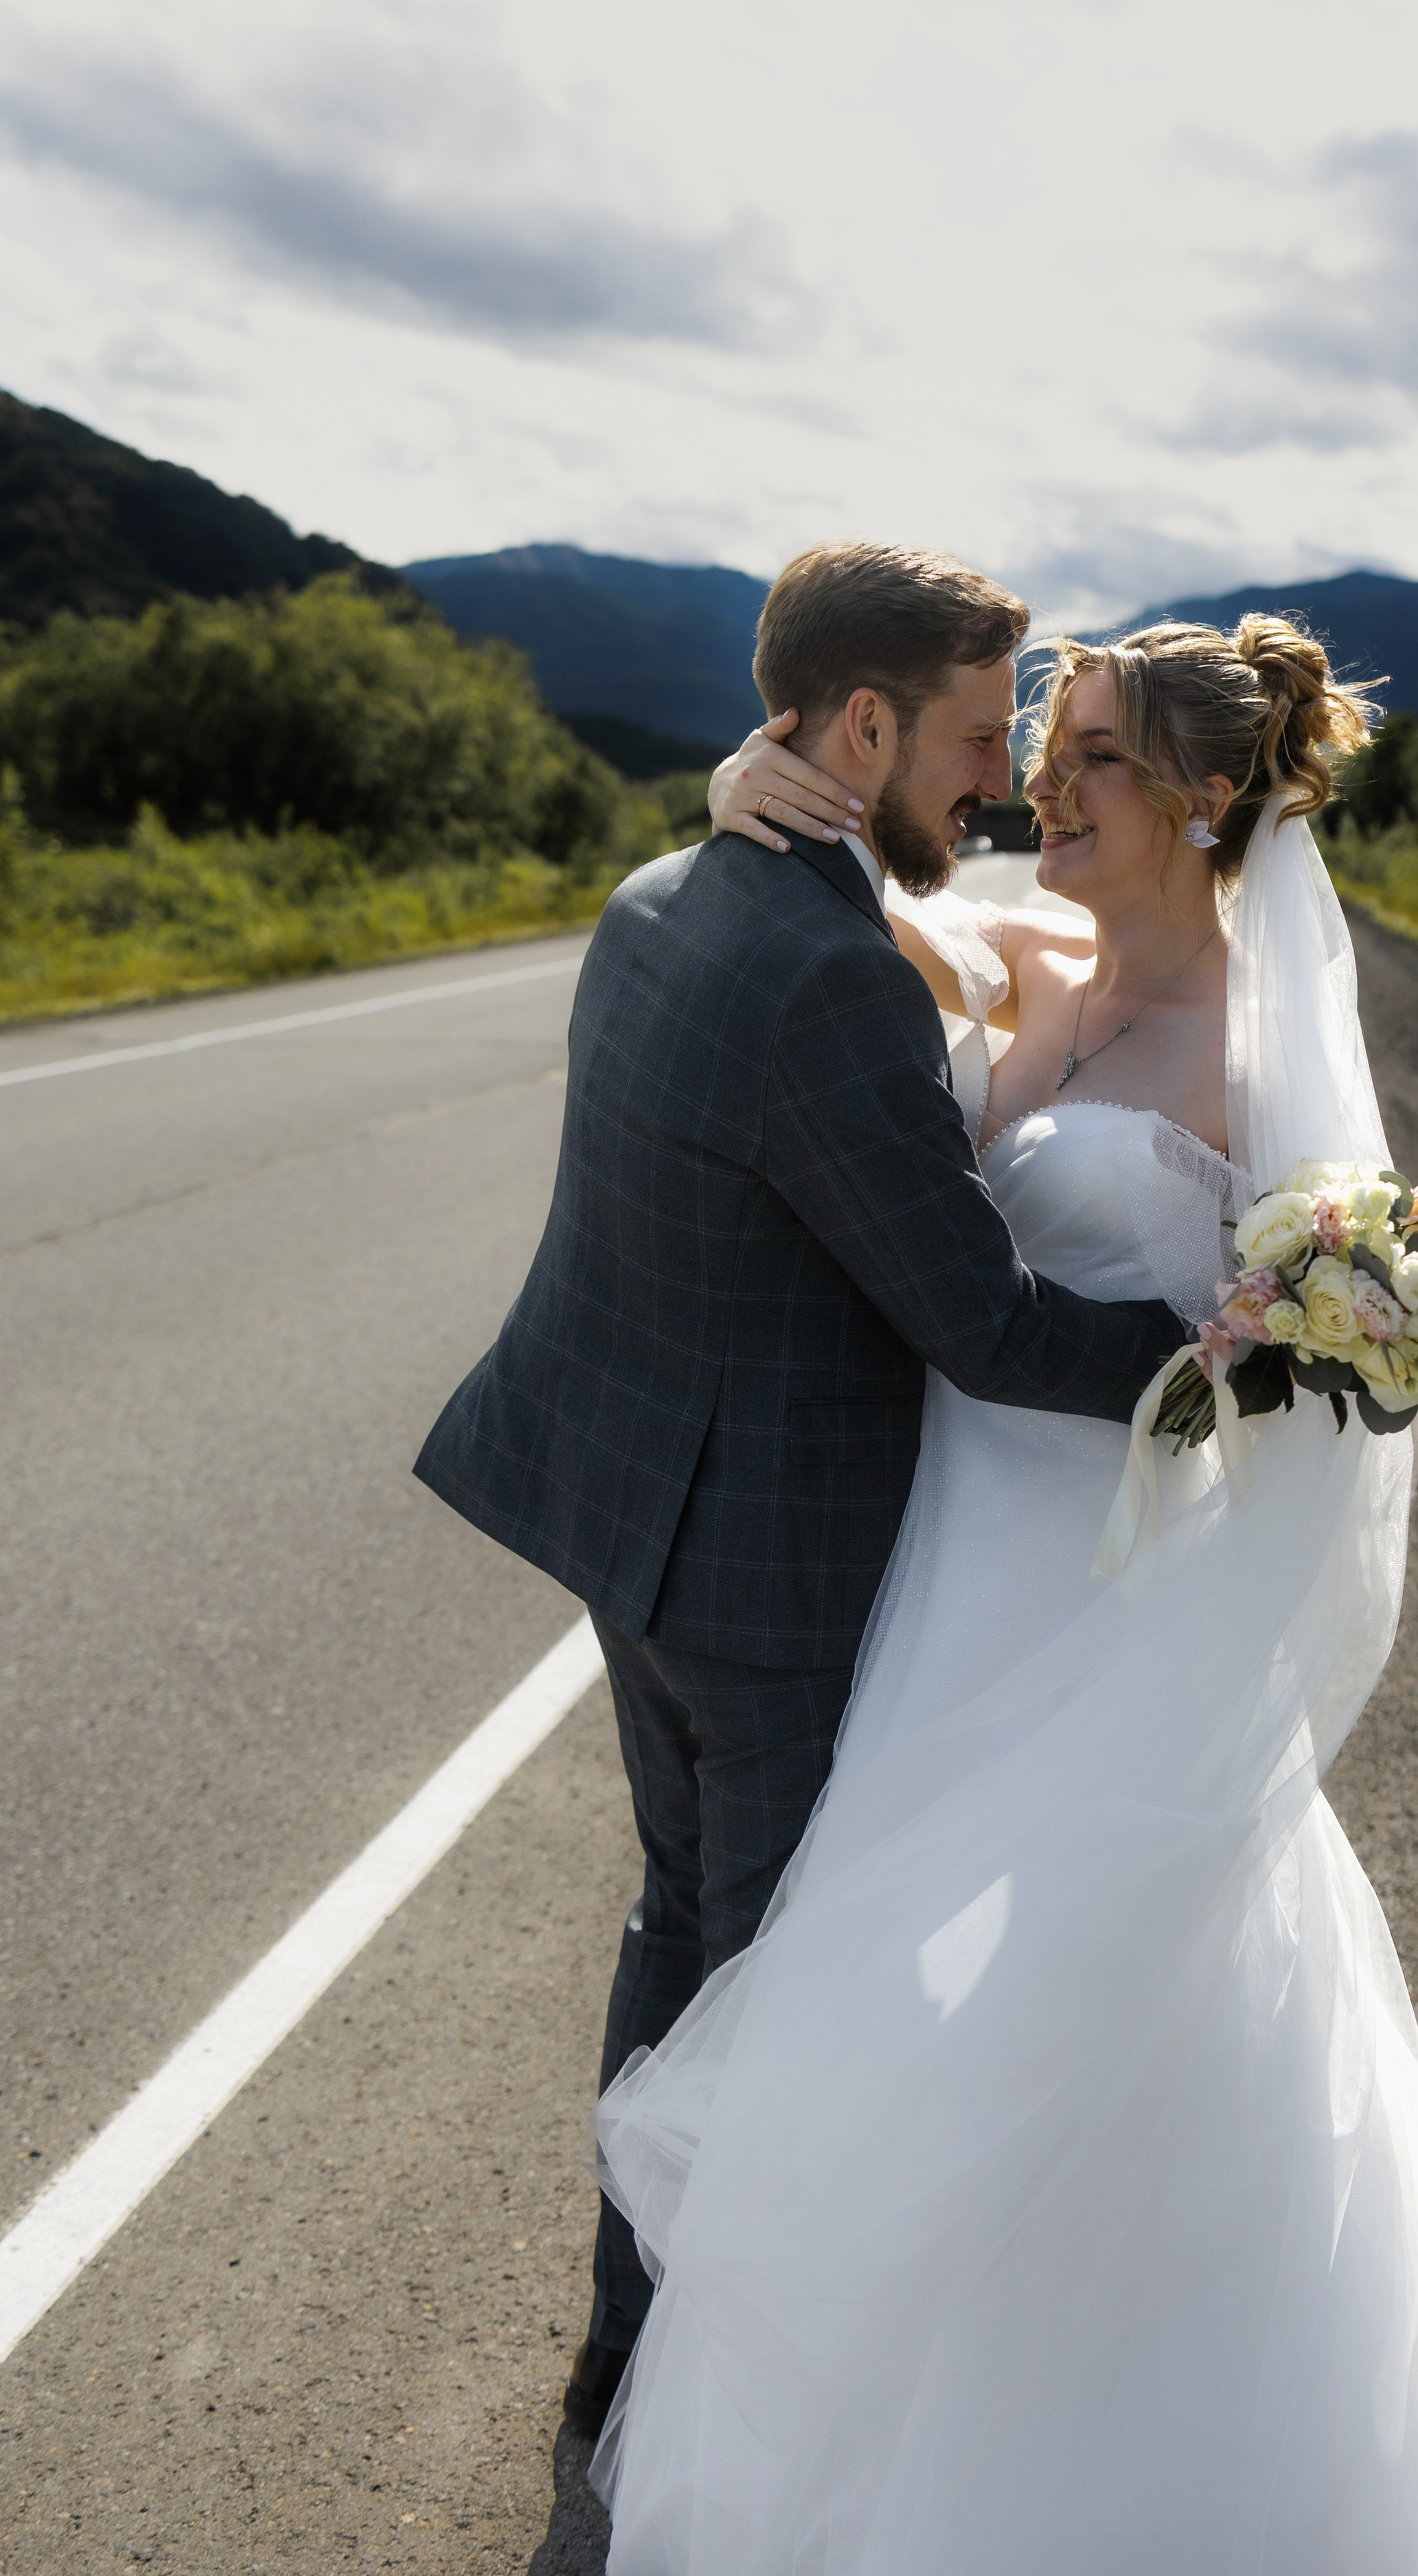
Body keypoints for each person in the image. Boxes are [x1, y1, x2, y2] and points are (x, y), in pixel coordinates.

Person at [586, 619, 1418, 2576]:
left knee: (1112, 2015)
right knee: (904, 2009)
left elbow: (1316, 1409)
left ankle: (1142, 2490)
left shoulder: (1278, 1070)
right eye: (1044, 747)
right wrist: (740, 793)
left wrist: (1216, 1614)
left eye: (1083, 757)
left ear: (1198, 797)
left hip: (1112, 1618)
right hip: (945, 1584)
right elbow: (862, 893)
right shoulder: (1039, 953)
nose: (1036, 788)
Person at [411, 542, 1186, 2437]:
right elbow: (990, 1332)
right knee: (770, 1994)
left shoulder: (670, 888)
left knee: (678, 1935)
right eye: (976, 732)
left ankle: (632, 2346)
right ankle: (715, 2418)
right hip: (760, 1584)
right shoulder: (829, 978)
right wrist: (1230, 1349)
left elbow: (1028, 956)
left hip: (634, 1529)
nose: (1000, 778)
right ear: (854, 724)